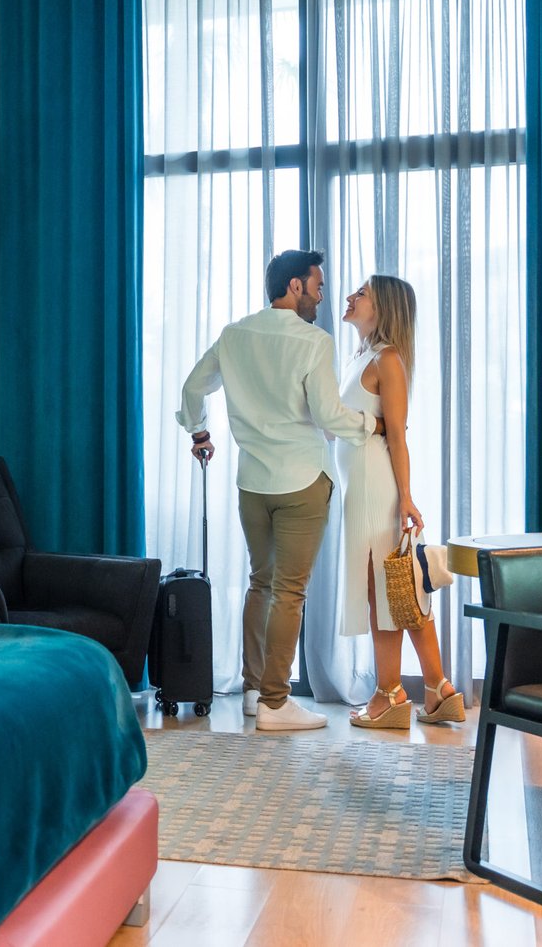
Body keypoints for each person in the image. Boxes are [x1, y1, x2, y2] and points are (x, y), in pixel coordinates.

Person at [177, 250, 382, 731]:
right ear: (295, 286)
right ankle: (276, 702)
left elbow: (192, 389)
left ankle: (254, 692)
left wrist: (200, 433)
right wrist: (373, 425)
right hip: (302, 480)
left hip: (252, 483)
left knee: (261, 583)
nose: (322, 296)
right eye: (318, 286)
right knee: (289, 592)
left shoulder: (234, 335)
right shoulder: (314, 341)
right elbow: (328, 416)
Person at [336, 275, 464, 729]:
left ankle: (389, 694)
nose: (350, 297)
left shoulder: (387, 359)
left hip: (375, 485)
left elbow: (397, 435)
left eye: (362, 293)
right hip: (360, 484)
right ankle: (438, 689)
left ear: (383, 307)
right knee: (397, 587)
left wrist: (406, 497)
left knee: (385, 590)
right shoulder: (361, 357)